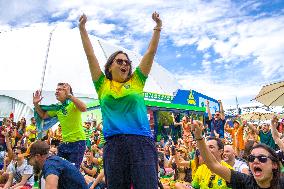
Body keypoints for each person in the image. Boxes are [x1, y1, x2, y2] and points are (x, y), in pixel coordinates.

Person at [79, 11, 162, 189]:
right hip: (114, 145)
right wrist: (82, 29)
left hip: (141, 143)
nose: (125, 64)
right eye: (119, 61)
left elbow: (151, 52)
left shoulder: (137, 81)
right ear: (110, 66)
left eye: (127, 62)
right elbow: (90, 55)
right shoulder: (102, 85)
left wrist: (157, 27)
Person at [191, 120, 284, 189]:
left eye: (262, 158)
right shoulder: (245, 182)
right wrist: (199, 137)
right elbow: (213, 165)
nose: (255, 160)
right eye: (251, 158)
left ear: (274, 165)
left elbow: (276, 138)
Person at [33, 83, 87, 169]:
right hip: (64, 143)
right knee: (58, 169)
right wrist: (36, 104)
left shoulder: (73, 103)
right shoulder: (58, 108)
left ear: (67, 92)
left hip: (78, 142)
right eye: (56, 90)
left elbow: (84, 108)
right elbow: (43, 115)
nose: (56, 92)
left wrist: (70, 96)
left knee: (72, 171)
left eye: (60, 89)